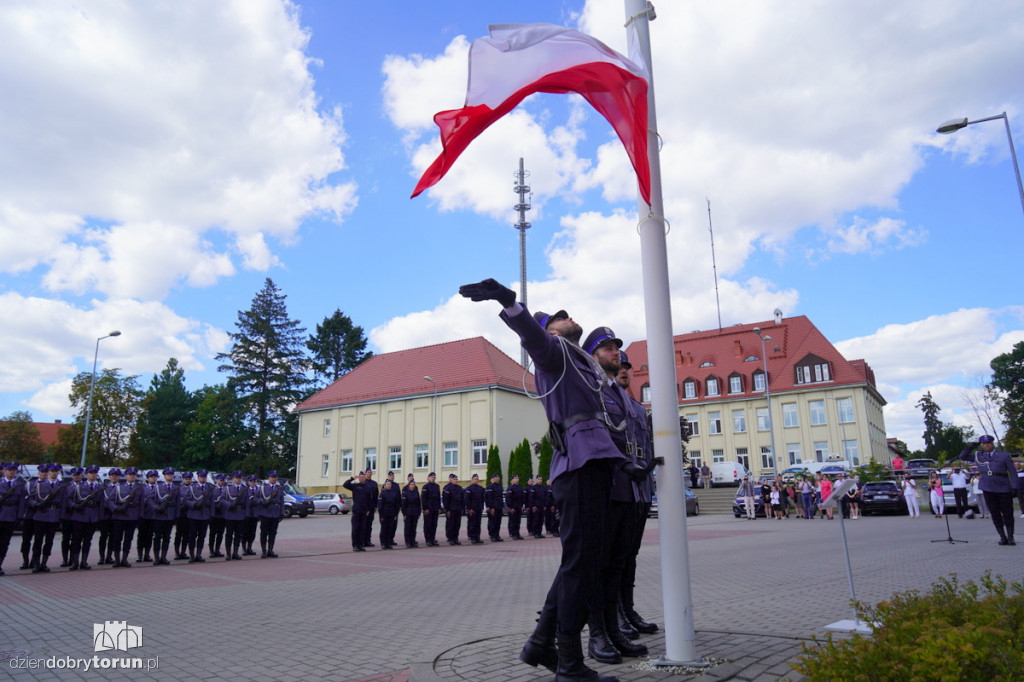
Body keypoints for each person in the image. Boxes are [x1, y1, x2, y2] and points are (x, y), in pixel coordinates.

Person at [460, 277, 644, 681]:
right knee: (581, 566)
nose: (568, 317)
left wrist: (622, 463)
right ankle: (568, 663)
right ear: (549, 330)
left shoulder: (584, 362)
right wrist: (510, 303)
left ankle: (543, 644)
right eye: (559, 317)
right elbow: (534, 339)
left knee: (581, 564)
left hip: (595, 466)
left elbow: (604, 423)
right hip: (578, 468)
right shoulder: (553, 352)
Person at [581, 327, 648, 664]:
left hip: (628, 489)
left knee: (618, 563)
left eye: (616, 347)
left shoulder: (621, 394)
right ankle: (597, 634)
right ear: (592, 355)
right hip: (604, 488)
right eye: (606, 348)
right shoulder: (591, 389)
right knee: (599, 565)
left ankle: (615, 629)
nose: (615, 353)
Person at [960, 436, 1020, 544]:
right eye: (984, 443)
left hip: (1003, 487)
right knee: (995, 513)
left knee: (1007, 513)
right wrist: (970, 447)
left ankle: (1010, 537)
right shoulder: (979, 455)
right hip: (988, 487)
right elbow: (963, 456)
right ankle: (1002, 536)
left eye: (988, 443)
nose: (986, 445)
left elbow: (1012, 472)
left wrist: (1015, 486)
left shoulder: (1003, 455)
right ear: (982, 445)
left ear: (993, 443)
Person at [29, 464, 68, 573]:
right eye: (52, 471)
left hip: (54, 515)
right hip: (41, 514)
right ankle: (36, 563)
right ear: (48, 472)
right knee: (38, 541)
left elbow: (64, 503)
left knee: (49, 541)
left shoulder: (61, 486)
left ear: (58, 473)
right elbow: (31, 498)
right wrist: (36, 504)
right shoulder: (39, 484)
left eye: (56, 471)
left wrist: (61, 517)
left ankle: (44, 563)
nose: (54, 473)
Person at [67, 465, 104, 570]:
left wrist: (99, 518)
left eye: (95, 473)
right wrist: (74, 506)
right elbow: (69, 499)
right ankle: (75, 562)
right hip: (79, 515)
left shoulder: (99, 487)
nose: (93, 475)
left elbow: (101, 503)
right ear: (86, 474)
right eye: (91, 473)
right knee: (76, 540)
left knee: (88, 540)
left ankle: (84, 561)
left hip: (92, 517)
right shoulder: (78, 486)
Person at [0, 462, 27, 576]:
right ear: (4, 470)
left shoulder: (19, 485)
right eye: (9, 469)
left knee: (5, 543)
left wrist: (19, 517)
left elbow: (21, 503)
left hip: (11, 517)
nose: (11, 471)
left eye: (14, 470)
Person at [148, 468, 179, 565]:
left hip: (169, 516)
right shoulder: (158, 487)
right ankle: (157, 558)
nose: (170, 476)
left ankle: (163, 557)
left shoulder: (176, 488)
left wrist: (176, 516)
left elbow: (178, 503)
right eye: (168, 474)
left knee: (167, 537)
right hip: (159, 516)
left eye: (171, 474)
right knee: (157, 537)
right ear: (164, 476)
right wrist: (156, 508)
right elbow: (150, 499)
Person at [18, 465, 46, 570]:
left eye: (46, 472)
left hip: (41, 516)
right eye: (42, 472)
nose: (44, 473)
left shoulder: (49, 485)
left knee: (38, 540)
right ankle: (25, 560)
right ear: (38, 473)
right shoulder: (30, 484)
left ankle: (34, 561)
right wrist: (34, 503)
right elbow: (25, 499)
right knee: (26, 540)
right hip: (30, 515)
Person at [182, 470, 214, 563]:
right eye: (201, 476)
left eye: (204, 476)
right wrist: (194, 504)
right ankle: (192, 555)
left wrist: (211, 515)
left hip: (205, 515)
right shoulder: (192, 487)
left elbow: (212, 503)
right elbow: (186, 500)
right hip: (194, 515)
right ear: (198, 477)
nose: (203, 478)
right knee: (192, 536)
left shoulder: (209, 488)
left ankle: (198, 554)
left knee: (202, 536)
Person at [219, 471, 248, 560]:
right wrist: (229, 505)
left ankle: (235, 552)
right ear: (233, 479)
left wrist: (246, 514)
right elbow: (222, 499)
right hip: (230, 514)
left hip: (240, 514)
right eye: (236, 477)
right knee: (229, 535)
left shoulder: (244, 489)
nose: (238, 479)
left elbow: (247, 502)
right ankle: (228, 553)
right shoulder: (228, 488)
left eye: (240, 477)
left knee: (238, 535)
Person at [255, 471, 285, 557]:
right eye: (272, 477)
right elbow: (255, 498)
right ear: (269, 478)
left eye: (275, 477)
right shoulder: (262, 487)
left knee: (273, 533)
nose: (274, 478)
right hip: (265, 513)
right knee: (264, 532)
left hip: (275, 513)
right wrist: (262, 502)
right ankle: (264, 551)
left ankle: (270, 550)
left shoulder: (279, 488)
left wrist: (282, 512)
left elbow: (282, 501)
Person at [59, 466, 83, 567]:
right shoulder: (66, 486)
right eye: (74, 475)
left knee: (76, 539)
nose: (76, 477)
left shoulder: (85, 486)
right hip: (67, 516)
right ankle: (65, 559)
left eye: (78, 475)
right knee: (66, 538)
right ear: (71, 476)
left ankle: (74, 559)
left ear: (81, 475)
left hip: (79, 516)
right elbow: (63, 501)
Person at [343, 471, 373, 551]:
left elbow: (370, 500)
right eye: (360, 477)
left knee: (362, 529)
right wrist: (352, 478)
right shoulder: (355, 486)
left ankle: (361, 545)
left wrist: (369, 509)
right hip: (356, 510)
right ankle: (355, 545)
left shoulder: (368, 487)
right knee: (355, 528)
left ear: (365, 478)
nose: (361, 478)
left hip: (364, 511)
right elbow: (345, 485)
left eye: (362, 477)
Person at [135, 470, 158, 563]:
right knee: (141, 536)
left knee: (150, 536)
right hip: (143, 515)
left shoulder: (158, 488)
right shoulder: (142, 488)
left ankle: (147, 554)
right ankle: (139, 555)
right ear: (148, 479)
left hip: (153, 515)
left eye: (155, 476)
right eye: (151, 476)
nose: (153, 478)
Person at [207, 473, 228, 558]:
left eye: (223, 480)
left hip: (223, 514)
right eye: (220, 480)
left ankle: (217, 549)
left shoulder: (227, 489)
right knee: (212, 533)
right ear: (216, 480)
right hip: (214, 514)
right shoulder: (212, 489)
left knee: (220, 533)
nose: (222, 482)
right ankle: (211, 550)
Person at [377, 478, 401, 549]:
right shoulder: (382, 494)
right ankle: (383, 543)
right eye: (387, 484)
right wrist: (381, 515)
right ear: (384, 485)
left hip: (392, 514)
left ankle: (388, 543)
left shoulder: (394, 493)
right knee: (384, 529)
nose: (389, 485)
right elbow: (380, 506)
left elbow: (396, 504)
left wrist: (396, 514)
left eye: (390, 484)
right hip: (384, 514)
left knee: (390, 529)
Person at [172, 471, 191, 560]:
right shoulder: (178, 488)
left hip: (189, 513)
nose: (188, 480)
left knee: (186, 534)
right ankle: (177, 552)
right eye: (186, 479)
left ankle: (183, 551)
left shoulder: (193, 488)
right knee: (179, 534)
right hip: (180, 513)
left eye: (189, 479)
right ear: (183, 479)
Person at [443, 474, 465, 545]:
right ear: (450, 479)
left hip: (458, 508)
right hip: (451, 509)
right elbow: (445, 500)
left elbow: (462, 499)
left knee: (457, 524)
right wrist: (447, 510)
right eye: (454, 479)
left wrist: (462, 508)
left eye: (456, 479)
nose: (456, 480)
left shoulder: (459, 488)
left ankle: (455, 538)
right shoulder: (447, 488)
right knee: (450, 524)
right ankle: (450, 538)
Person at [421, 472, 441, 547]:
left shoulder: (437, 486)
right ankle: (428, 540)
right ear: (428, 478)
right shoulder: (425, 487)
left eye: (434, 477)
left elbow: (438, 498)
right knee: (427, 525)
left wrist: (439, 508)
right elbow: (423, 498)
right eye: (431, 477)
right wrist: (425, 508)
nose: (433, 478)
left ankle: (433, 539)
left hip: (435, 509)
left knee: (434, 525)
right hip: (428, 509)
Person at [464, 473, 485, 544]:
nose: (476, 480)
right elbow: (467, 500)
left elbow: (482, 499)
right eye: (475, 479)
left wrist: (482, 507)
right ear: (472, 480)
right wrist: (469, 508)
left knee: (478, 524)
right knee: (472, 524)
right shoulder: (468, 489)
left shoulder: (480, 488)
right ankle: (472, 537)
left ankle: (477, 537)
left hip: (478, 508)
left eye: (477, 479)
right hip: (472, 509)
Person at [401, 475, 421, 548]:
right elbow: (403, 505)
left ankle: (413, 541)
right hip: (408, 513)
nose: (412, 486)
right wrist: (404, 514)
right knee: (408, 528)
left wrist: (419, 512)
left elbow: (419, 503)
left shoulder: (416, 493)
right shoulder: (406, 493)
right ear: (409, 485)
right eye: (411, 485)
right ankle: (408, 542)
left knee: (413, 528)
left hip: (415, 513)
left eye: (413, 485)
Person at [242, 474, 260, 555]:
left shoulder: (259, 490)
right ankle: (244, 548)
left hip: (255, 514)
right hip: (247, 514)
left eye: (254, 481)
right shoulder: (245, 490)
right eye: (251, 481)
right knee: (245, 532)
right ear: (248, 482)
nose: (253, 483)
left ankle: (249, 547)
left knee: (252, 532)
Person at [484, 472, 504, 542]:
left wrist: (502, 507)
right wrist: (490, 507)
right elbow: (488, 498)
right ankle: (492, 535)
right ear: (493, 479)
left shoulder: (500, 486)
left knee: (498, 522)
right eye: (496, 477)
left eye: (498, 477)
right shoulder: (490, 487)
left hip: (499, 506)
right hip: (493, 507)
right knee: (492, 522)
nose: (498, 478)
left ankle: (497, 535)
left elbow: (501, 497)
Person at [363, 468, 379, 548]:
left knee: (369, 525)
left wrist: (376, 506)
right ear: (365, 473)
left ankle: (368, 540)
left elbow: (376, 495)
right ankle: (362, 541)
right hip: (364, 507)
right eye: (368, 472)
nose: (370, 473)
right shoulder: (363, 482)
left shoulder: (374, 483)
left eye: (370, 472)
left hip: (372, 507)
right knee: (363, 525)